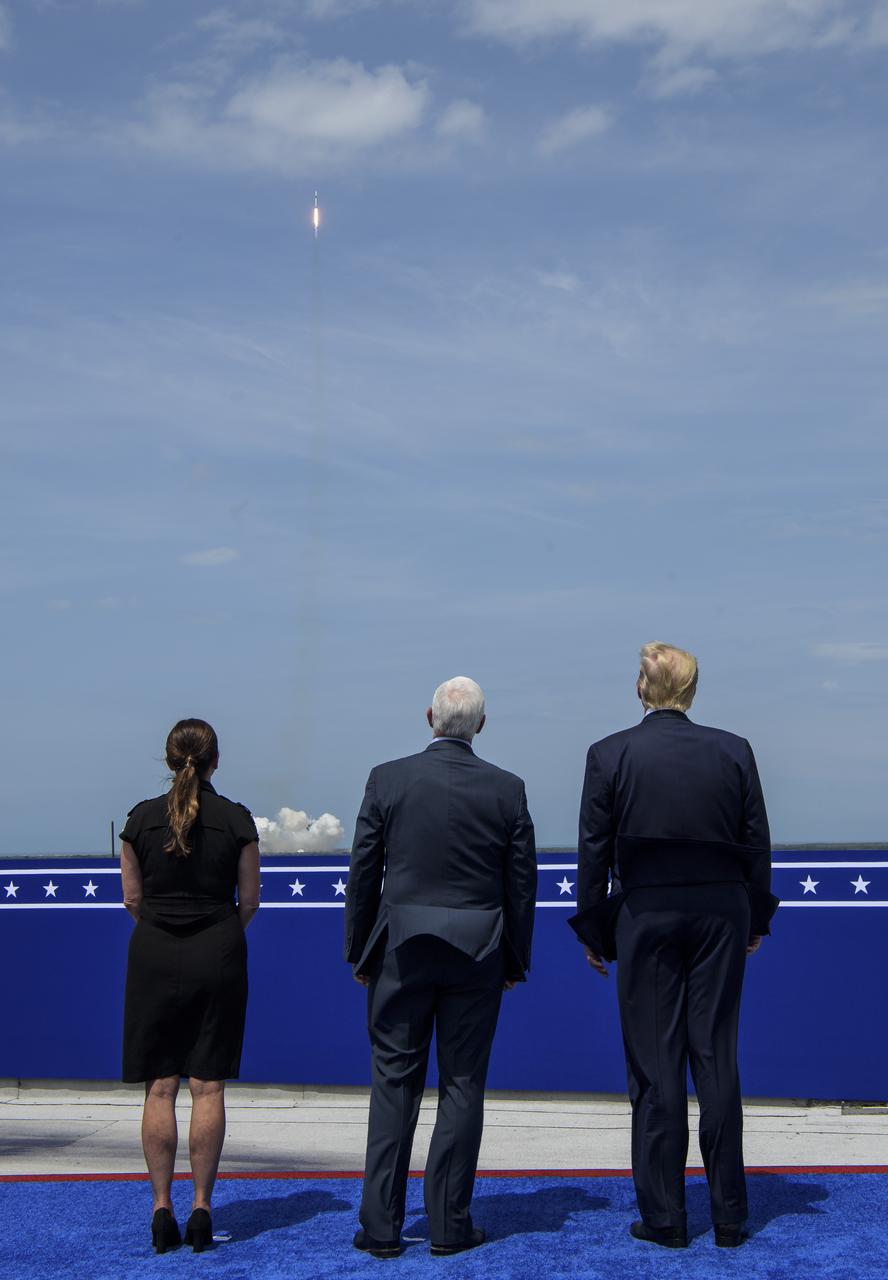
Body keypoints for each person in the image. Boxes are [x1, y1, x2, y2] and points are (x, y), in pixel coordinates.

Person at [570, 643, 776, 1250]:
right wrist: (755, 919)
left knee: (655, 1066)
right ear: (691, 690)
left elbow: (593, 849)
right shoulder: (734, 750)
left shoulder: (609, 754)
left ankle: (664, 1217)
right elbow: (756, 841)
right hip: (722, 913)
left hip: (647, 914)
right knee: (716, 1057)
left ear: (642, 688)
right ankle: (730, 1213)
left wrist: (594, 929)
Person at [345, 676, 537, 1259]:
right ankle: (450, 1224)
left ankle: (381, 1226)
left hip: (401, 950)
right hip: (478, 954)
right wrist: (515, 959)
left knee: (393, 1084)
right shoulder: (509, 789)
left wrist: (359, 951)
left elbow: (363, 873)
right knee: (462, 1085)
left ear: (430, 716)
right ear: (481, 724)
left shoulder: (387, 778)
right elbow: (520, 885)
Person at [119, 718, 260, 1253]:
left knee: (160, 1086)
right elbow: (249, 901)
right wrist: (217, 935)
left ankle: (162, 1210)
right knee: (208, 1086)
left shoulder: (139, 820)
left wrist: (163, 934)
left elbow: (132, 900)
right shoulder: (236, 819)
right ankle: (202, 1208)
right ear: (216, 761)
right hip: (218, 952)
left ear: (168, 758)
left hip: (153, 952)